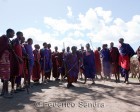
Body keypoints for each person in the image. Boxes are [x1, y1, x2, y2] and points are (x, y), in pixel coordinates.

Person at [0, 28, 15, 98]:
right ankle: (6, 92)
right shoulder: (3, 38)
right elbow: (2, 48)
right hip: (3, 59)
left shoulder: (8, 40)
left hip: (7, 59)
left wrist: (11, 46)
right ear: (9, 32)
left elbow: (10, 48)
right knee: (5, 76)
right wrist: (9, 46)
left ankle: (3, 91)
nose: (13, 35)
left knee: (6, 76)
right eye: (13, 33)